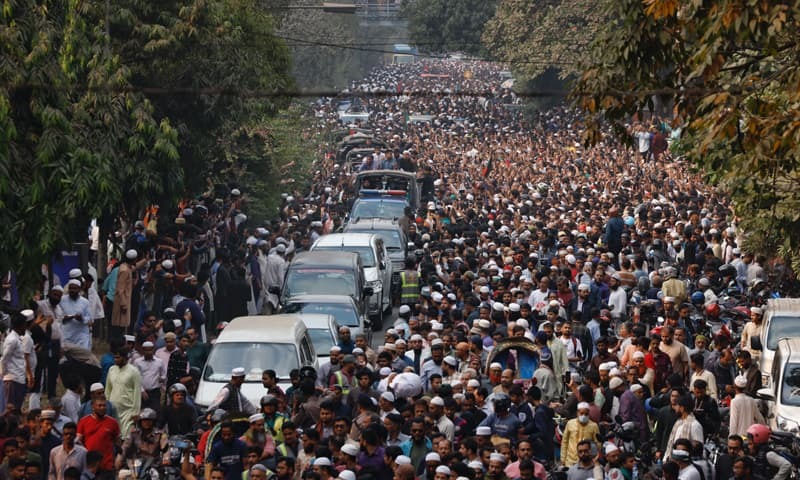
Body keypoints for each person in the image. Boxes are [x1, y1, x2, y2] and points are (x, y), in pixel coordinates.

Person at [76, 399, 119, 477]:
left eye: (104, 405)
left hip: (107, 466)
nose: (102, 408)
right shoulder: (83, 422)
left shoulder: (113, 423)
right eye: (99, 405)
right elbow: (78, 442)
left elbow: (117, 442)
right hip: (89, 466)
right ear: (93, 406)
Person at [104, 348, 142, 437]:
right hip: (113, 410)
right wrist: (106, 406)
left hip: (128, 411)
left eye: (118, 358)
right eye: (114, 357)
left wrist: (136, 412)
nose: (115, 360)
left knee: (126, 437)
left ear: (125, 358)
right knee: (113, 435)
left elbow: (137, 393)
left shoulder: (134, 371)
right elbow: (108, 390)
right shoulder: (112, 369)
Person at [2, 313, 32, 412]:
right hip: (12, 380)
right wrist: (4, 376)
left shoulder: (17, 339)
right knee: (11, 411)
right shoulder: (12, 340)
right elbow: (4, 359)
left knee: (17, 410)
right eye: (25, 325)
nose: (26, 328)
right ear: (21, 326)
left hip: (18, 379)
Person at [560, 403, 600, 467]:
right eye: (581, 413)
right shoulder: (570, 423)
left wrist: (594, 459)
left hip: (586, 462)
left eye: (586, 414)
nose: (584, 416)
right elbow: (565, 442)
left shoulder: (594, 426)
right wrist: (563, 459)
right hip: (570, 461)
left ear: (589, 413)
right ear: (577, 413)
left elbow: (597, 444)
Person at [134, 341, 166, 412]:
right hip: (142, 392)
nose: (148, 352)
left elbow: (164, 374)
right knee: (142, 412)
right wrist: (142, 391)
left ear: (153, 350)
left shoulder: (159, 361)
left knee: (155, 411)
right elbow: (136, 378)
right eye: (146, 350)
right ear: (143, 350)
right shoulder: (137, 362)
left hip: (155, 392)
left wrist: (162, 379)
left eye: (150, 350)